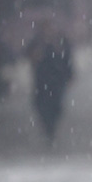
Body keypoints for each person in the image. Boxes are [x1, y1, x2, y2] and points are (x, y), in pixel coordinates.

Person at [27, 18, 75, 146]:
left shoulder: (60, 41)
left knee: (56, 106)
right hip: (41, 80)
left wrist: (69, 74)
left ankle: (51, 128)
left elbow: (68, 58)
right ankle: (47, 127)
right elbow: (28, 54)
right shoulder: (38, 42)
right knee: (40, 104)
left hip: (57, 80)